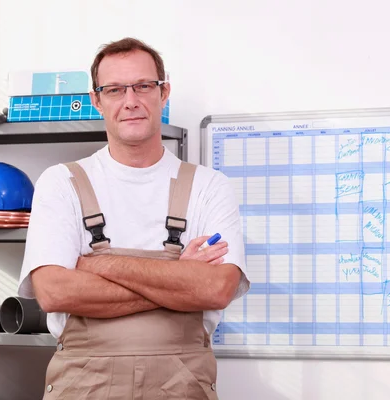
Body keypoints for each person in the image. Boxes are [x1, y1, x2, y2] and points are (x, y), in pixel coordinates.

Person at [17, 37, 250, 400]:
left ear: (164, 92)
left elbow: (216, 289)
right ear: (96, 100)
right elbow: (52, 291)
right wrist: (179, 278)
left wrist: (95, 266)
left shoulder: (209, 186)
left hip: (182, 388)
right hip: (83, 388)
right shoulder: (61, 182)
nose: (131, 101)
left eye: (144, 86)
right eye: (114, 89)